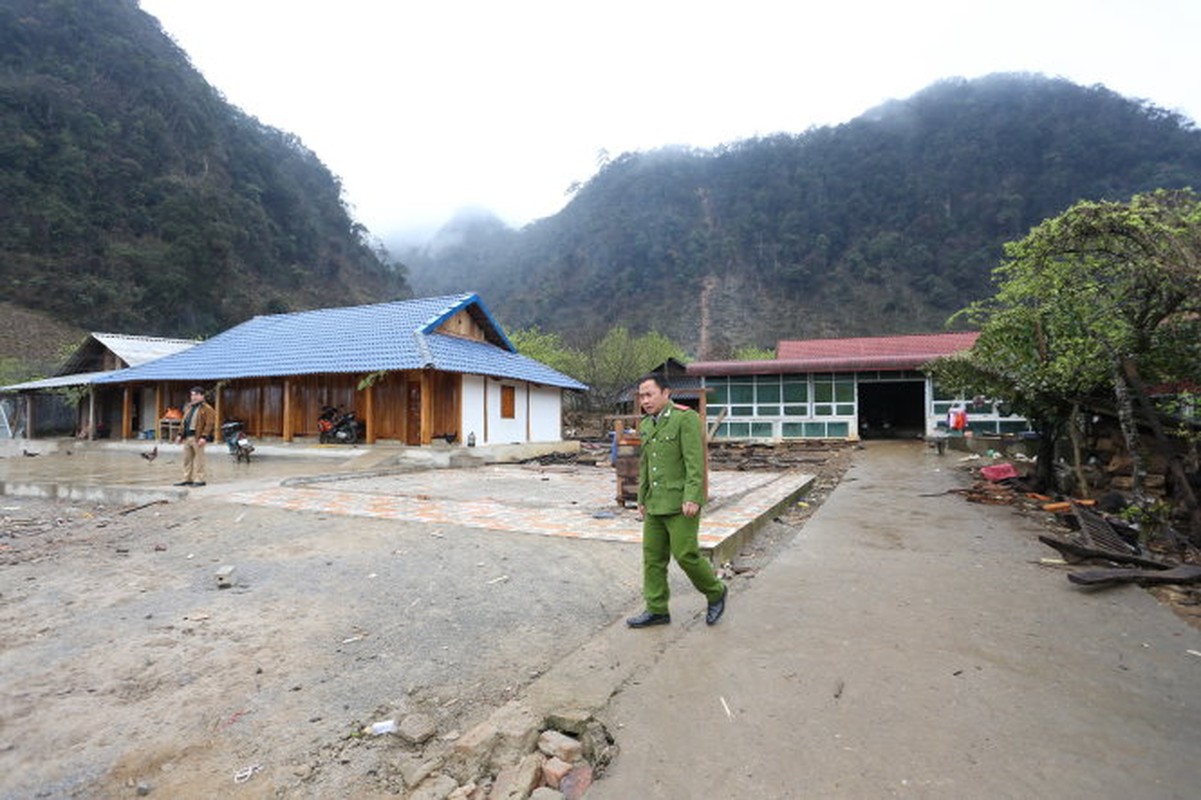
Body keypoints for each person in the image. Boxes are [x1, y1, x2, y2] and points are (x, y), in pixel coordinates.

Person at [626, 375, 728, 628]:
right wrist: (641, 497)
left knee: (685, 554)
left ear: (666, 393)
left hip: (681, 502)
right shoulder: (648, 425)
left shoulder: (686, 418)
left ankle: (715, 591)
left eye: (650, 394)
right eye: (642, 396)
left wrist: (693, 497)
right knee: (652, 558)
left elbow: (696, 462)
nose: (645, 401)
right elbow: (646, 464)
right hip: (655, 503)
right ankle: (657, 609)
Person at [174, 386, 216, 487]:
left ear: (202, 396)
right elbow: (184, 422)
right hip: (187, 437)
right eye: (192, 395)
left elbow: (209, 424)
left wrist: (204, 437)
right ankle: (187, 478)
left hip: (198, 437)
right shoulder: (189, 407)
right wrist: (180, 434)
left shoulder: (207, 409)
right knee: (187, 459)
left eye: (196, 395)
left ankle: (200, 479)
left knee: (199, 460)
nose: (193, 397)